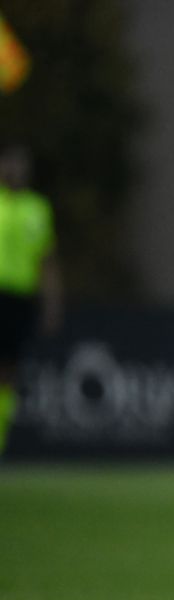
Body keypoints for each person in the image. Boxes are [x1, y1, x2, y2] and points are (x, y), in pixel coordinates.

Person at [0, 144, 58, 457]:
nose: (14, 170)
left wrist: (51, 304)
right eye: (9, 163)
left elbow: (46, 261)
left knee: (9, 370)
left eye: (20, 165)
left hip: (19, 298)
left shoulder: (37, 209)